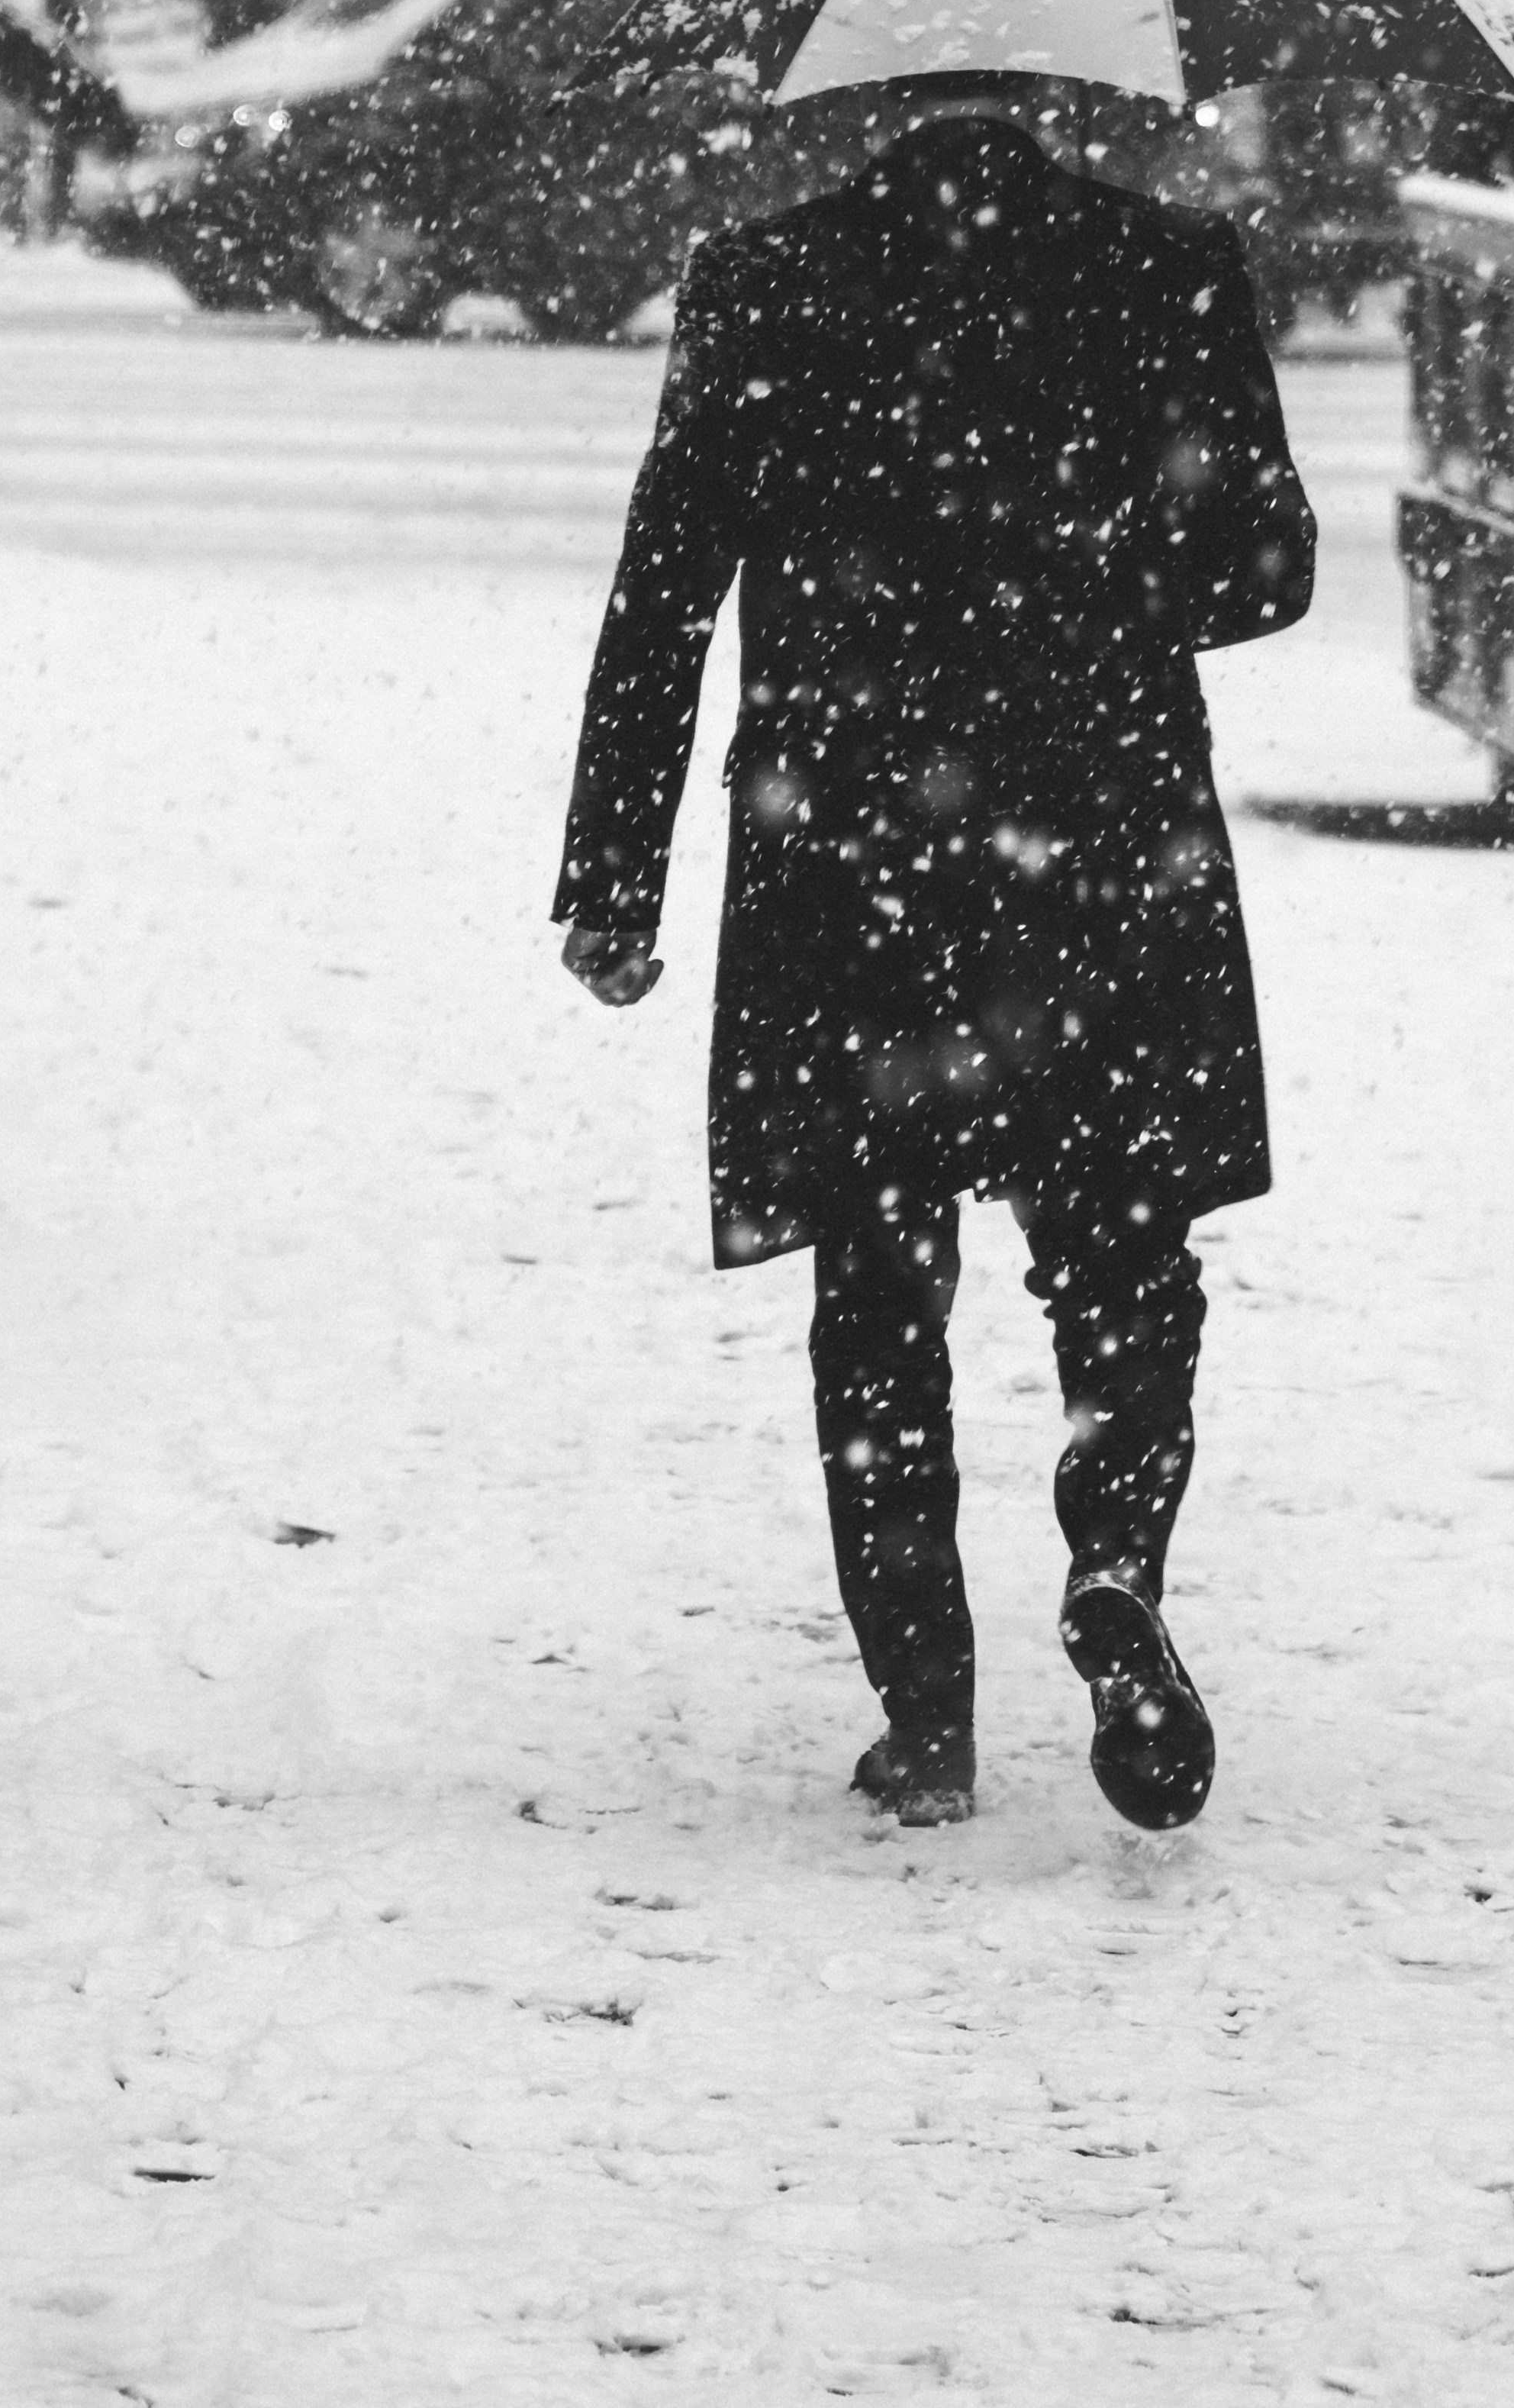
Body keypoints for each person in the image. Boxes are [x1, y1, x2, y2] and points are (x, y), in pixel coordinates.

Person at [555, 105, 1316, 1836]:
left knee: (878, 1291)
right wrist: (1098, 558)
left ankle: (929, 1714)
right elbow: (1261, 572)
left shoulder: (765, 280)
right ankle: (1114, 1561)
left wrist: (611, 871)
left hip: (852, 853)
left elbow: (662, 590)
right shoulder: (1165, 267)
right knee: (1123, 1251)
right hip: (1099, 843)